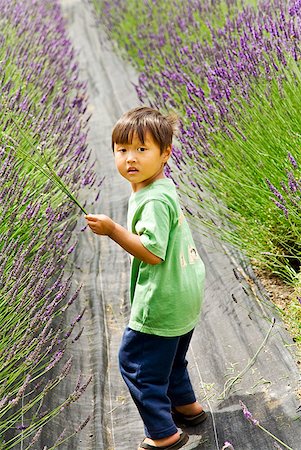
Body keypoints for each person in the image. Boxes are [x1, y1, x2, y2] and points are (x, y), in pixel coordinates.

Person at [85, 106, 207, 450]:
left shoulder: (151, 199)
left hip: (163, 299)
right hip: (186, 289)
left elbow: (152, 252)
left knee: (137, 364)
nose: (131, 159)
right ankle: (187, 406)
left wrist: (112, 230)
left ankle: (163, 433)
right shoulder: (161, 186)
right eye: (122, 150)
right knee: (170, 356)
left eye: (142, 149)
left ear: (165, 154)